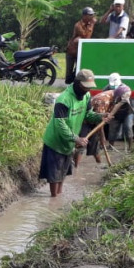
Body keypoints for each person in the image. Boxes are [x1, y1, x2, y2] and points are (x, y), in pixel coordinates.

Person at [40, 69, 109, 197]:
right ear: (77, 83)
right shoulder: (64, 99)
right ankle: (54, 199)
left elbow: (88, 115)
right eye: (85, 87)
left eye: (89, 88)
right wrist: (76, 138)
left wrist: (101, 116)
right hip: (56, 141)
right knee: (55, 174)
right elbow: (60, 124)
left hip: (69, 142)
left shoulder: (87, 96)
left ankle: (58, 196)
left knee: (64, 172)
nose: (87, 90)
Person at [73, 88, 113, 168]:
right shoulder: (104, 100)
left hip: (93, 121)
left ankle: (99, 164)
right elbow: (98, 121)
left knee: (95, 146)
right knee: (81, 145)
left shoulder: (111, 98)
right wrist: (102, 137)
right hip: (85, 122)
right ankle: (76, 167)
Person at [103, 73, 134, 153]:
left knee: (128, 128)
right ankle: (110, 146)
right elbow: (104, 101)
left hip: (127, 112)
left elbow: (118, 104)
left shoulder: (126, 89)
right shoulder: (106, 89)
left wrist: (110, 115)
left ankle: (131, 147)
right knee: (112, 130)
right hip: (115, 114)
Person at [65, 7, 96, 84]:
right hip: (72, 51)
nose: (92, 17)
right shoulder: (78, 25)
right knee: (69, 72)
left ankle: (74, 83)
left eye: (92, 15)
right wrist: (92, 25)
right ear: (84, 16)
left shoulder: (88, 25)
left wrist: (91, 25)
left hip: (80, 51)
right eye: (90, 15)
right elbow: (86, 36)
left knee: (78, 69)